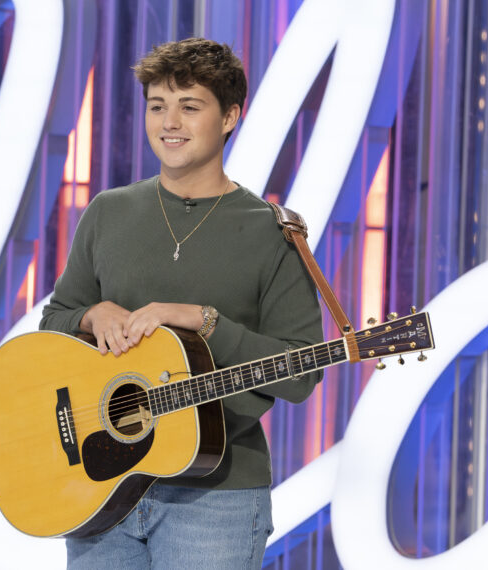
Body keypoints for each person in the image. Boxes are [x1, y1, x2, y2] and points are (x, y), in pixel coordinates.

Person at [40, 37, 324, 569]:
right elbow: (54, 321)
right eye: (157, 106)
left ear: (230, 116)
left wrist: (205, 321)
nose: (169, 122)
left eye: (189, 106)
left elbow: (301, 374)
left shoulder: (274, 234)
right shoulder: (108, 212)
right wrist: (90, 315)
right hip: (100, 487)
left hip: (217, 497)